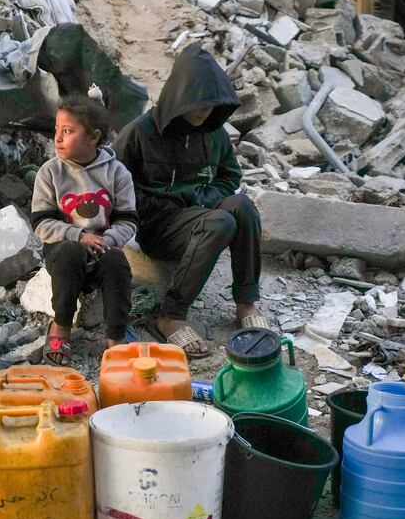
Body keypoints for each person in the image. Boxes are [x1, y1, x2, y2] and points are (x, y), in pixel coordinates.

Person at [114, 45, 266, 359]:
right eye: (198, 103)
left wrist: (200, 197)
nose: (204, 111)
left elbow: (229, 177)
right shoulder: (139, 134)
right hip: (157, 226)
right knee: (221, 221)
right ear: (179, 96)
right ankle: (171, 315)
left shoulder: (214, 134)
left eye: (212, 104)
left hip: (197, 215)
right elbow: (112, 182)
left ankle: (246, 302)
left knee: (243, 206)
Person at [30, 94, 137, 365]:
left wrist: (108, 240)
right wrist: (78, 236)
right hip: (64, 247)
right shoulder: (50, 172)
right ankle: (62, 325)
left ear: (92, 137)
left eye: (67, 131)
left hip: (103, 247)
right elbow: (42, 223)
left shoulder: (117, 173)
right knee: (69, 254)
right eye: (56, 130)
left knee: (117, 263)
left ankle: (115, 338)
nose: (58, 138)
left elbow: (128, 220)